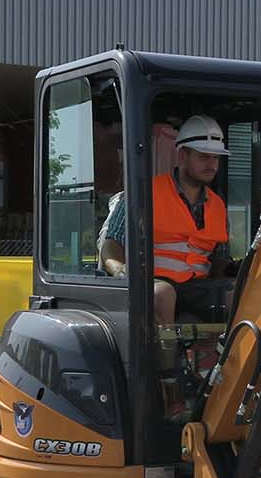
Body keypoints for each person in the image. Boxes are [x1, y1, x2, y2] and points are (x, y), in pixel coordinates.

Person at [98, 114, 230, 324]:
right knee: (163, 294)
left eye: (215, 158)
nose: (211, 164)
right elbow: (111, 246)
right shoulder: (143, 194)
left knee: (237, 294)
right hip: (153, 283)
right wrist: (120, 270)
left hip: (199, 286)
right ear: (182, 156)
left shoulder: (218, 205)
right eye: (203, 157)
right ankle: (163, 346)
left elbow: (220, 259)